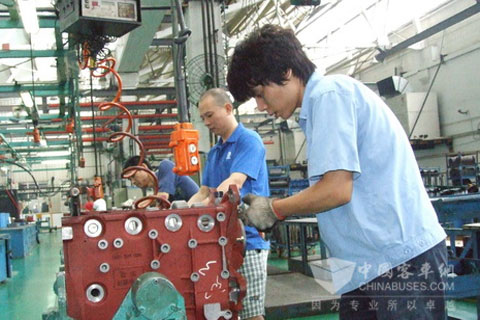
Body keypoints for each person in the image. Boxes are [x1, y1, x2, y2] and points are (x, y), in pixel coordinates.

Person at [227, 24, 447, 319]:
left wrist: (274, 209)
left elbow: (336, 190)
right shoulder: (316, 110)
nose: (261, 105)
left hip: (397, 261)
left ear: (286, 72)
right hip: (367, 267)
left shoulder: (330, 95)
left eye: (260, 93)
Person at [188, 88, 270, 320]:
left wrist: (203, 206)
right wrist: (183, 210)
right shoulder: (215, 152)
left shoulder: (248, 141)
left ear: (227, 109)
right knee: (223, 310)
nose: (206, 122)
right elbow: (205, 190)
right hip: (218, 243)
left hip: (248, 241)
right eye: (203, 117)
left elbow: (235, 181)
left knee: (251, 314)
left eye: (209, 115)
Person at [123, 157, 199, 202]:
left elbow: (163, 197)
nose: (133, 182)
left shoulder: (166, 166)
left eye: (133, 176)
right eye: (130, 180)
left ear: (143, 167)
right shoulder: (156, 189)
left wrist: (142, 203)